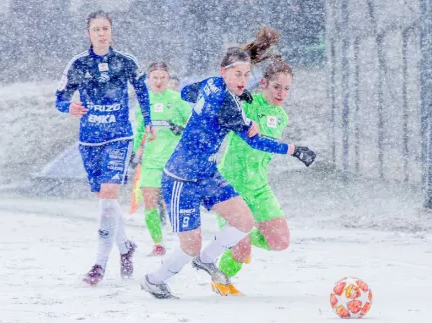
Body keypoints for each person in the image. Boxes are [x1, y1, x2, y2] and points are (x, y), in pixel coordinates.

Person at [140, 26, 316, 299]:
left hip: (207, 173)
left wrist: (223, 101)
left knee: (244, 220)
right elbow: (256, 141)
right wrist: (294, 149)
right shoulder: (228, 105)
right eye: (237, 75)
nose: (243, 80)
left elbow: (187, 92)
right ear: (224, 72)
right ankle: (154, 280)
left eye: (246, 75)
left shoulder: (211, 83)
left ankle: (206, 260)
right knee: (189, 245)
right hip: (181, 178)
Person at [55, 10, 157, 286]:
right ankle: (126, 246)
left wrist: (148, 121)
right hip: (89, 139)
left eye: (106, 28)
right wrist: (70, 107)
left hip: (118, 137)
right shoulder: (78, 63)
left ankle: (99, 265)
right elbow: (60, 97)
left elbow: (142, 91)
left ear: (111, 32)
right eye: (97, 29)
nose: (102, 33)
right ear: (89, 33)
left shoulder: (125, 61)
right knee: (105, 200)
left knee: (109, 196)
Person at [211, 58, 296, 296]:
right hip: (230, 185)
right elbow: (226, 93)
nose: (281, 93)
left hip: (258, 186)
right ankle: (221, 279)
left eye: (286, 88)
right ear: (263, 84)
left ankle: (243, 237)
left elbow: (266, 146)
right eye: (276, 86)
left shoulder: (281, 117)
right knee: (241, 250)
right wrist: (240, 94)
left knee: (280, 242)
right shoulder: (246, 103)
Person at [132, 61, 191, 256]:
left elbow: (192, 126)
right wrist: (135, 152)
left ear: (168, 79)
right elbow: (139, 130)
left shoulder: (177, 99)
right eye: (155, 78)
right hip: (150, 160)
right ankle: (158, 244)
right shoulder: (143, 100)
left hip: (172, 160)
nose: (158, 81)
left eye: (162, 78)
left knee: (172, 203)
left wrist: (180, 129)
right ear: (148, 79)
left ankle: (185, 243)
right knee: (149, 203)